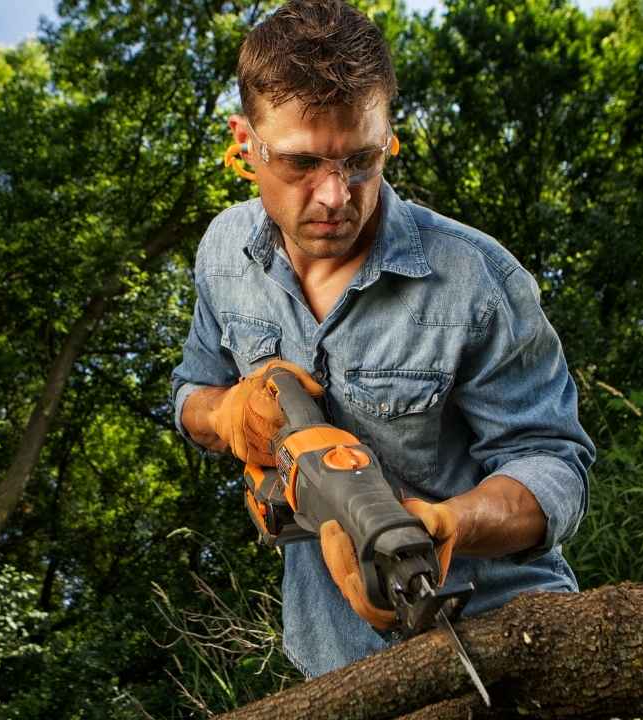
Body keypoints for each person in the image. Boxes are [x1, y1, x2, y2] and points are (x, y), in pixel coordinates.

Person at [169, 0, 595, 679]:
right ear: (244, 144)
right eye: (301, 163)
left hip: (506, 637)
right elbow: (191, 389)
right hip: (334, 662)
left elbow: (553, 465)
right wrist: (226, 414)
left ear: (388, 134)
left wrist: (450, 523)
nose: (336, 195)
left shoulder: (475, 279)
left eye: (362, 159)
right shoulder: (223, 255)